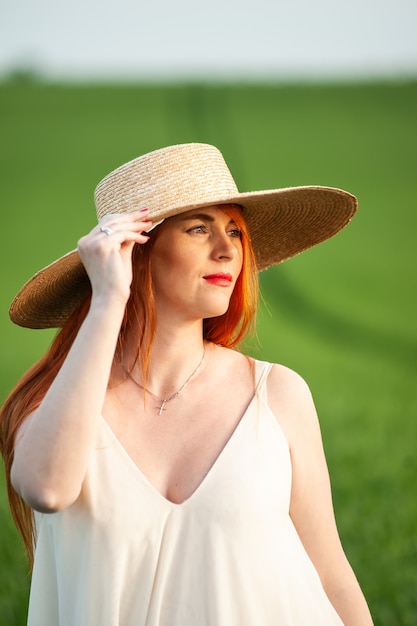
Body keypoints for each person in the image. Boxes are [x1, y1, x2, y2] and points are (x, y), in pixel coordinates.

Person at [0, 143, 373, 626]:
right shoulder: (57, 404)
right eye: (199, 227)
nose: (228, 249)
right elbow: (45, 489)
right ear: (134, 249)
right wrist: (109, 299)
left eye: (235, 230)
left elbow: (331, 573)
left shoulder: (278, 395)